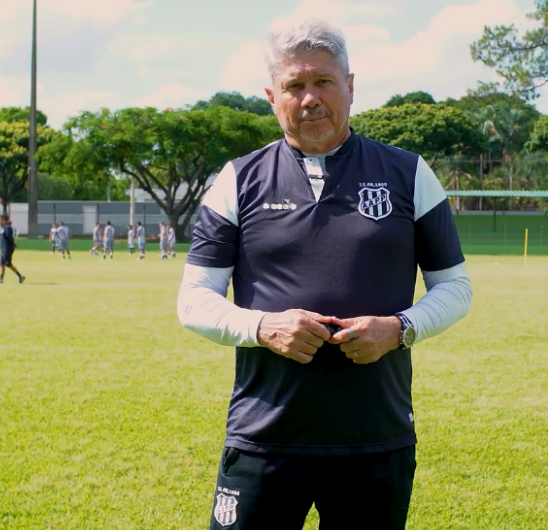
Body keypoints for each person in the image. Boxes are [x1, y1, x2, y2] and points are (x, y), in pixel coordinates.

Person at [177, 20, 473, 530]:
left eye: (323, 82)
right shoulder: (237, 180)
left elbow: (455, 287)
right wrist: (262, 327)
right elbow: (193, 299)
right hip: (264, 438)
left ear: (351, 87)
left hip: (375, 439)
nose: (309, 98)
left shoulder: (409, 173)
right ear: (273, 97)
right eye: (294, 86)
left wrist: (399, 329)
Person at [0, 214, 25, 284]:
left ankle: (20, 276)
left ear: (4, 220)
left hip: (7, 248)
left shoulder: (7, 228)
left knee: (7, 263)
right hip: (3, 248)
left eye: (0, 219)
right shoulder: (4, 228)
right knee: (2, 264)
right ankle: (1, 279)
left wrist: (14, 244)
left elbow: (10, 238)